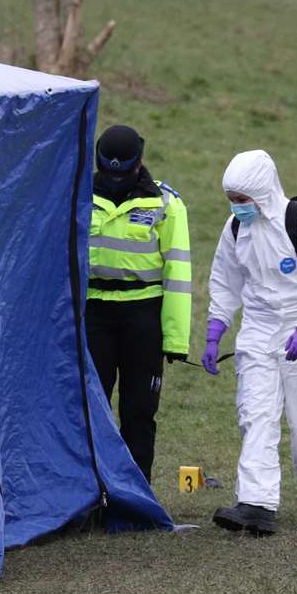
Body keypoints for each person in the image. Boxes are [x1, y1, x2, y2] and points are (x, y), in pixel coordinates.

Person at [202, 150, 297, 534]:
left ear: (262, 193)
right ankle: (256, 504)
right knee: (256, 414)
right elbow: (225, 279)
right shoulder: (235, 228)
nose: (236, 207)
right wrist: (216, 329)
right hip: (259, 330)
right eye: (231, 200)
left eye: (242, 200)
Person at [84, 124, 192, 482]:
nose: (114, 179)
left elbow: (177, 274)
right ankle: (91, 493)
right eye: (107, 171)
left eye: (122, 171)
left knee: (139, 411)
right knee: (90, 409)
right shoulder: (79, 196)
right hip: (93, 313)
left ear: (139, 162)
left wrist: (175, 339)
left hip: (143, 316)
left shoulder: (165, 204)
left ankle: (137, 494)